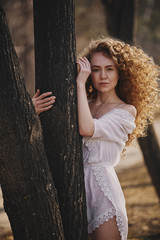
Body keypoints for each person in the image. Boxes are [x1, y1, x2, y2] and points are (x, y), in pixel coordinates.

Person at [33, 37, 159, 240]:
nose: (103, 76)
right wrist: (30, 111)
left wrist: (80, 83)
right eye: (95, 69)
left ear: (121, 73)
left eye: (109, 69)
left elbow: (86, 128)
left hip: (102, 194)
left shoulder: (126, 111)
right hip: (68, 191)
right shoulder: (83, 104)